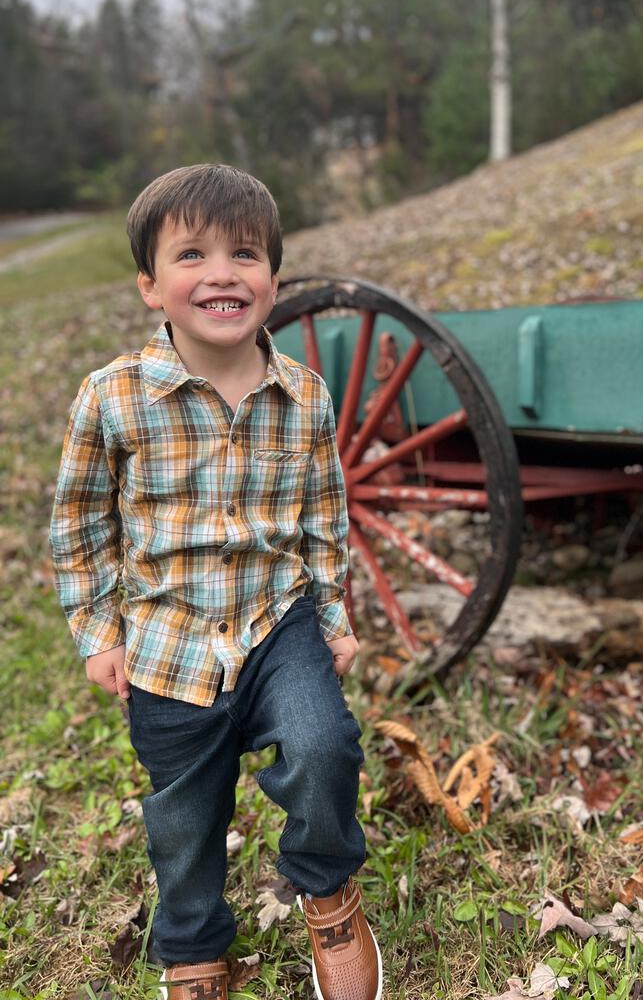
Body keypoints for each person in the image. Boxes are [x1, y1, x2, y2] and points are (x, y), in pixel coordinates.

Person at [49, 164, 382, 1000]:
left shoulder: (301, 395)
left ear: (272, 279)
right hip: (169, 638)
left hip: (279, 623)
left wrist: (333, 617)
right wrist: (99, 635)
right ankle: (194, 945)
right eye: (191, 254)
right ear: (151, 287)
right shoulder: (113, 398)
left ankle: (327, 889)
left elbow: (323, 516)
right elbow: (80, 525)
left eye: (245, 253)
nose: (223, 272)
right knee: (186, 812)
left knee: (322, 746)